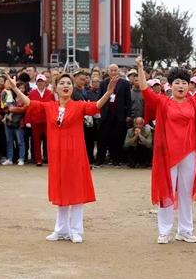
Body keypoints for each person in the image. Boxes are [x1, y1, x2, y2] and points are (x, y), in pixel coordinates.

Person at [8, 72, 118, 244]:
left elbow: (96, 106)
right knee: (60, 192)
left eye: (69, 83)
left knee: (76, 192)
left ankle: (75, 230)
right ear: (55, 88)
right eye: (62, 83)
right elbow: (29, 103)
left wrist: (108, 92)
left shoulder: (79, 106)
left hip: (76, 155)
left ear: (72, 88)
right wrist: (15, 89)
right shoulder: (48, 106)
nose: (66, 86)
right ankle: (60, 230)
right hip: (57, 156)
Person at [136, 57, 196, 244]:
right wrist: (139, 67)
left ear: (189, 86)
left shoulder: (194, 103)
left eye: (184, 83)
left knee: (186, 193)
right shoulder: (163, 102)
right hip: (168, 155)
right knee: (166, 192)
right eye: (177, 82)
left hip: (190, 153)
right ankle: (164, 231)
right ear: (170, 85)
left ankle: (185, 230)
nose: (181, 86)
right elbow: (145, 89)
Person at [96, 64, 131, 166]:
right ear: (108, 71)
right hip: (106, 115)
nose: (113, 72)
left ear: (118, 71)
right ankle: (100, 159)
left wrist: (128, 114)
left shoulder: (125, 83)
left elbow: (128, 100)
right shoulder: (103, 83)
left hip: (119, 115)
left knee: (118, 138)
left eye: (115, 70)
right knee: (103, 138)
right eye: (111, 70)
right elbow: (99, 98)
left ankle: (116, 159)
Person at [24, 74, 55, 166]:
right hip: (36, 121)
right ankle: (38, 159)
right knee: (36, 141)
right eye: (38, 81)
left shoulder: (50, 93)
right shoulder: (32, 93)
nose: (40, 83)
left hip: (47, 121)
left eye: (42, 81)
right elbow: (29, 107)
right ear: (36, 83)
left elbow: (54, 107)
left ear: (45, 83)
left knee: (49, 141)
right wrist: (27, 120)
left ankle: (48, 157)